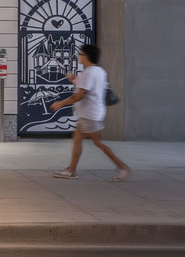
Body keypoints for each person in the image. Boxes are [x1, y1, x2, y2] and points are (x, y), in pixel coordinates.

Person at [49, 43, 130, 181]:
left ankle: (122, 167)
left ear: (86, 56)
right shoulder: (99, 71)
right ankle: (71, 170)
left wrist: (61, 103)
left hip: (90, 114)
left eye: (80, 54)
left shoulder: (88, 72)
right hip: (93, 112)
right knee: (77, 139)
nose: (79, 57)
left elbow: (80, 95)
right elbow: (92, 87)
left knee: (97, 142)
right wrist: (75, 79)